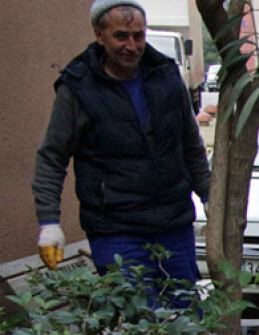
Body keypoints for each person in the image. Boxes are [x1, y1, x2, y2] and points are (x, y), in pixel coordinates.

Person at [32, 0, 210, 286]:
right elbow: (52, 158)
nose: (132, 45)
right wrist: (49, 223)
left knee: (185, 317)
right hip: (116, 230)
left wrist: (208, 194)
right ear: (99, 35)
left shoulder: (165, 74)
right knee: (137, 319)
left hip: (174, 224)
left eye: (138, 36)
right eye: (121, 36)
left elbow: (191, 143)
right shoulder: (78, 87)